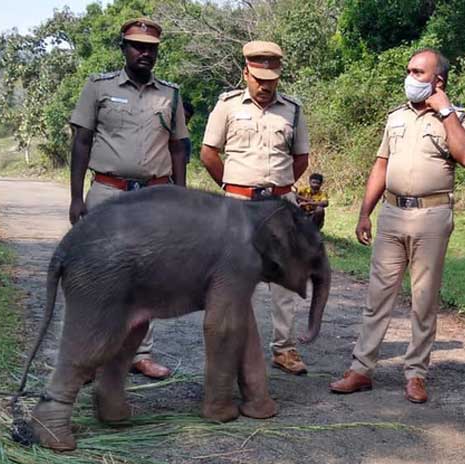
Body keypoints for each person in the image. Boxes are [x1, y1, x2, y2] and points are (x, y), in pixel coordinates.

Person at [329, 47, 465, 403]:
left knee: (423, 299)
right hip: (392, 213)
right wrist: (365, 212)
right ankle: (361, 369)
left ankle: (416, 374)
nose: (409, 78)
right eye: (409, 71)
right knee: (377, 294)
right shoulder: (395, 117)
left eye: (418, 72)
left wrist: (445, 111)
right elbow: (381, 165)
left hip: (432, 216)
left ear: (437, 80)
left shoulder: (458, 117)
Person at [67, 17, 188, 380]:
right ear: (123, 48)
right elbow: (82, 142)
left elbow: (179, 148)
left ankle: (140, 353)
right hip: (107, 192)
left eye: (151, 48)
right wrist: (77, 198)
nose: (144, 53)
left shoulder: (171, 95)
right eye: (137, 46)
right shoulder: (98, 87)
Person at [200, 40, 311, 376]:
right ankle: (235, 349)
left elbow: (301, 157)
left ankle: (285, 349)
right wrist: (233, 185)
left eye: (272, 79)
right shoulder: (228, 106)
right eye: (259, 78)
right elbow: (209, 153)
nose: (265, 85)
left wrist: (276, 188)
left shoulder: (292, 109)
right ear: (245, 72)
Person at [180, 99, 195, 165]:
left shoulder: (185, 142)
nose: (184, 119)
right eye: (182, 115)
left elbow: (182, 165)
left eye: (187, 117)